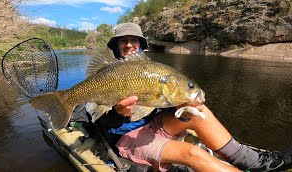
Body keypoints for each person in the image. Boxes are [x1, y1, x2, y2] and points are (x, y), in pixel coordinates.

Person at [95, 22, 292, 172]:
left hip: (151, 125)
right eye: (123, 40)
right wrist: (119, 115)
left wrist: (183, 112)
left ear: (140, 45)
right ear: (116, 45)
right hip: (123, 138)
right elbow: (98, 121)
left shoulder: (150, 70)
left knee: (199, 110)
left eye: (134, 40)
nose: (129, 45)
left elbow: (159, 106)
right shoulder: (101, 75)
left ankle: (256, 162)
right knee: (193, 152)